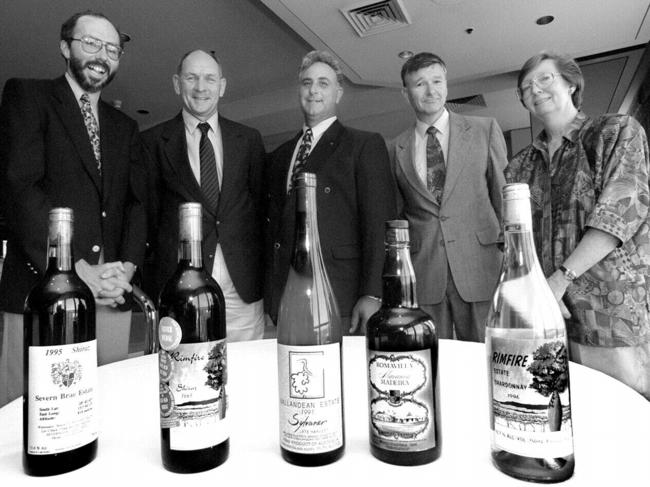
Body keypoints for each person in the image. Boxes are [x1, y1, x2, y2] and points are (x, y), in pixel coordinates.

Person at [0, 11, 147, 406]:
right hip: (41, 295)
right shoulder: (27, 96)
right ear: (66, 47)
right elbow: (21, 189)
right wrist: (77, 269)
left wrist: (126, 269)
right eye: (91, 43)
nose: (102, 55)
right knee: (29, 422)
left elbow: (136, 204)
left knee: (106, 412)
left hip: (110, 297)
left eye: (112, 48)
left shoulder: (125, 127)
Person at [506, 51, 650, 400]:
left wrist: (559, 281)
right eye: (526, 87)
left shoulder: (614, 132)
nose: (535, 90)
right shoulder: (519, 166)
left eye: (544, 78)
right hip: (546, 317)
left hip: (608, 310)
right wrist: (536, 294)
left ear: (571, 84)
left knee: (623, 407)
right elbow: (515, 240)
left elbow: (618, 216)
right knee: (562, 409)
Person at [265, 50, 397, 335]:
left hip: (342, 295)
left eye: (323, 83)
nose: (314, 90)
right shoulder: (279, 156)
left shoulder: (363, 145)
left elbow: (378, 224)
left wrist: (373, 294)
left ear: (338, 92)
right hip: (288, 297)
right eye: (307, 83)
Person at [142, 50, 266, 341]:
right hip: (180, 287)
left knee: (247, 371)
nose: (201, 87)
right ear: (177, 83)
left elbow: (260, 210)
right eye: (191, 77)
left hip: (242, 287)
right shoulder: (151, 142)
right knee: (185, 373)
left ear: (221, 86)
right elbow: (148, 214)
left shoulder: (249, 140)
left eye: (210, 79)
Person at [390, 52, 507, 342]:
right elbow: (397, 214)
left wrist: (515, 262)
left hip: (481, 266)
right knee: (433, 362)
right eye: (419, 84)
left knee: (488, 358)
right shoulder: (394, 148)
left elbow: (503, 199)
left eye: (437, 81)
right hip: (424, 271)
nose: (431, 91)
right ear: (405, 94)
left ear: (446, 83)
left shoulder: (484, 129)